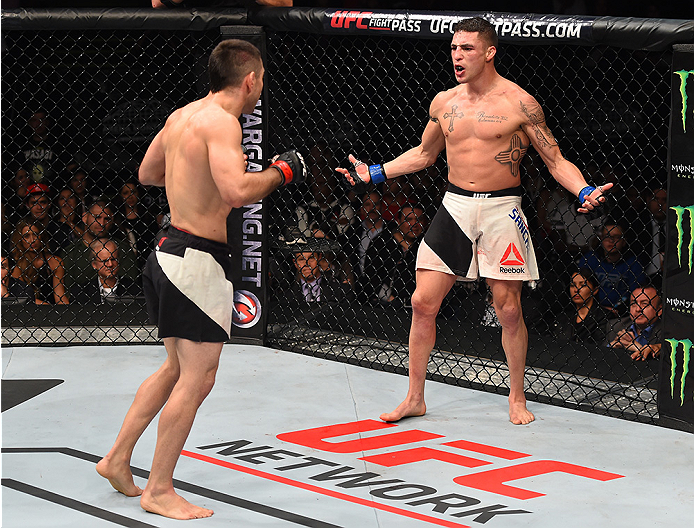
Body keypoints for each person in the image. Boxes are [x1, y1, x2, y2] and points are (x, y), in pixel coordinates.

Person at [337, 17, 611, 425]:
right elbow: (424, 155)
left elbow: (554, 160)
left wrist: (584, 191)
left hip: (502, 209)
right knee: (421, 302)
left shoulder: (520, 103)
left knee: (509, 309)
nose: (457, 56)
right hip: (455, 207)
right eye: (453, 48)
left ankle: (516, 398)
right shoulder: (445, 101)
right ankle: (414, 397)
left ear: (489, 52)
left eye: (466, 48)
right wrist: (375, 173)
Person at [95, 39, 306, 520]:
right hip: (196, 260)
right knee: (197, 377)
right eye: (261, 83)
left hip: (168, 250)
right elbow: (236, 192)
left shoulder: (181, 116)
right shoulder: (223, 123)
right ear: (249, 79)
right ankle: (159, 489)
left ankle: (117, 459)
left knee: (173, 368)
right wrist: (282, 170)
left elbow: (148, 173)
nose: (259, 91)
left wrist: (191, 178)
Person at [359, 202, 427, 307]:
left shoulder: (427, 245)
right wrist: (389, 298)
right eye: (409, 220)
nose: (415, 224)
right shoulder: (382, 242)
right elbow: (370, 274)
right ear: (398, 221)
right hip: (384, 304)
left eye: (419, 220)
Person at [61, 199, 138, 289]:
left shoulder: (123, 249)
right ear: (85, 217)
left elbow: (131, 287)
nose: (102, 223)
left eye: (107, 219)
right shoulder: (71, 253)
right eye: (97, 217)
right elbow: (66, 293)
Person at [577, 218, 646, 317]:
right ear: (601, 239)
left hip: (622, 313)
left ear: (624, 241)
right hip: (591, 310)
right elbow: (580, 288)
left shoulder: (633, 263)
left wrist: (618, 309)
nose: (611, 240)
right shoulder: (590, 259)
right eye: (607, 236)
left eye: (616, 237)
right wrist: (600, 309)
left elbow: (636, 293)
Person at [10, 218, 69, 304]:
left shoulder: (55, 262)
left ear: (41, 236)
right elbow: (23, 297)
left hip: (52, 309)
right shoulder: (16, 265)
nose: (32, 240)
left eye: (35, 234)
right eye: (26, 236)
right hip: (27, 308)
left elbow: (59, 295)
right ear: (20, 239)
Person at [69, 238, 142, 304]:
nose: (110, 264)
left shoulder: (135, 290)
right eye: (104, 261)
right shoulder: (80, 293)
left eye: (113, 259)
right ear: (94, 264)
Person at [551, 267, 609, 344]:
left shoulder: (604, 317)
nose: (576, 289)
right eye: (572, 285)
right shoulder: (562, 317)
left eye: (583, 285)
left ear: (595, 290)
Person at [606, 285, 663, 361]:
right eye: (634, 303)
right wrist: (612, 345)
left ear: (659, 310)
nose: (638, 309)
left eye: (645, 304)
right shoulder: (615, 325)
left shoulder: (667, 331)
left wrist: (637, 348)